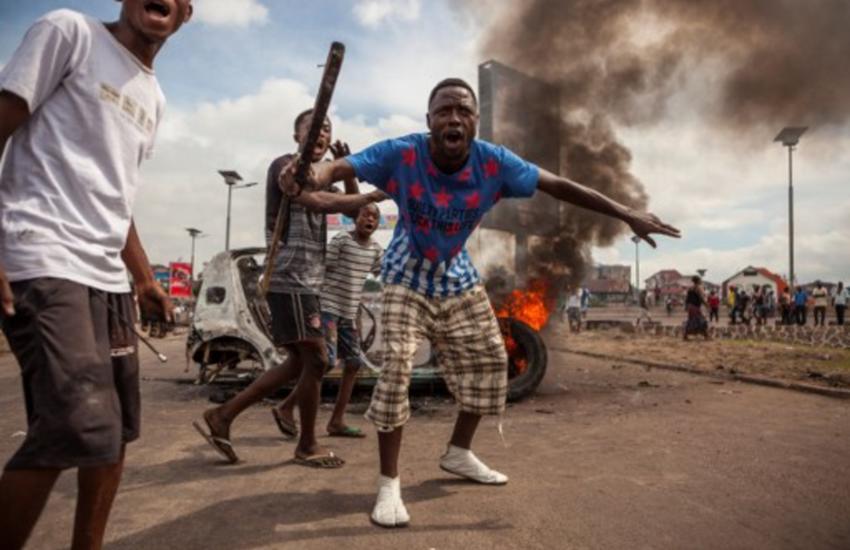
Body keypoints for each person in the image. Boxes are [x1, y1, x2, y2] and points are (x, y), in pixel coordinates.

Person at [280, 77, 680, 527]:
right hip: (406, 273)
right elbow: (331, 172)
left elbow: (561, 185)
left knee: (492, 362)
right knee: (396, 368)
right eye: (443, 111)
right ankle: (389, 483)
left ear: (475, 121)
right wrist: (303, 175)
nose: (453, 118)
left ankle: (458, 452)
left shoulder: (495, 163)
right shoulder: (403, 153)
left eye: (463, 111)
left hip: (455, 273)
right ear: (429, 120)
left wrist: (627, 213)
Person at [0, 2, 192, 548]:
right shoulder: (70, 32)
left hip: (106, 277)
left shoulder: (153, 96)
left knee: (116, 432)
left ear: (185, 14)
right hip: (40, 251)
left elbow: (114, 194)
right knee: (73, 423)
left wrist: (145, 278)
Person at [194, 110, 386, 467]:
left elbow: (347, 212)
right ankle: (306, 444)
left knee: (303, 360)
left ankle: (227, 415)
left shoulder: (323, 173)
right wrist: (376, 193)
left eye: (327, 129)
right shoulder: (286, 167)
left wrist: (349, 173)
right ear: (296, 135)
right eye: (312, 127)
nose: (321, 133)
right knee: (317, 359)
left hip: (309, 280)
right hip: (290, 275)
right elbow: (320, 202)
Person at [272, 203, 384, 439]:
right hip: (328, 308)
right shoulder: (341, 240)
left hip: (349, 313)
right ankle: (286, 406)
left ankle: (336, 421)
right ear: (356, 218)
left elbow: (383, 271)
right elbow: (322, 268)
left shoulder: (375, 249)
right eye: (365, 214)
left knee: (353, 363)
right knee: (325, 362)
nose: (370, 219)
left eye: (374, 217)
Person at [683, 276, 709, 340]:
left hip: (690, 306)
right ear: (698, 281)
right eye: (700, 280)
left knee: (692, 321)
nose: (701, 281)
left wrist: (686, 306)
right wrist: (706, 304)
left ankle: (685, 335)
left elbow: (687, 298)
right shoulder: (698, 288)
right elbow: (701, 298)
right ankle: (706, 336)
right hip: (695, 306)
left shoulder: (690, 288)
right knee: (700, 320)